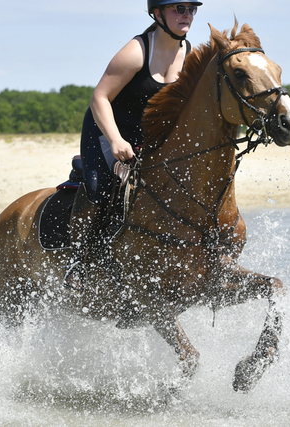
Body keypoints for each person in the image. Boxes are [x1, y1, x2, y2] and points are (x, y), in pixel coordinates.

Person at [67, 1, 202, 324]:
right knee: (105, 190)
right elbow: (99, 98)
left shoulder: (192, 56)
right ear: (158, 14)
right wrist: (115, 141)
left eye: (191, 10)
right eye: (178, 8)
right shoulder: (136, 52)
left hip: (149, 139)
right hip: (108, 129)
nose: (186, 15)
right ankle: (80, 262)